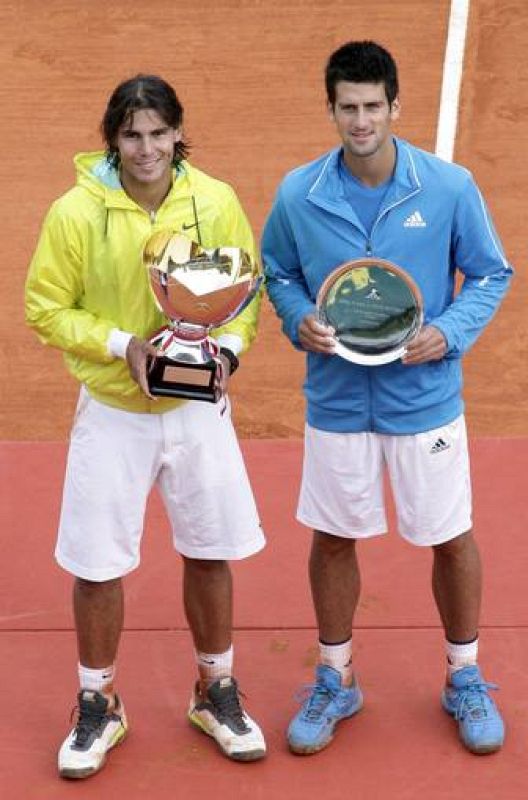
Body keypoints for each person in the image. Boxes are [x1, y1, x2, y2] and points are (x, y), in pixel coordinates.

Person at [262, 40, 511, 757]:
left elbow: (490, 274)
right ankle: (336, 677)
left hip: (423, 399)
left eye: (374, 107)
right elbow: (276, 272)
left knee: (449, 532)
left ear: (396, 107)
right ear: (332, 109)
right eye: (349, 108)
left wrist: (450, 332)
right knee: (334, 536)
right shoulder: (298, 194)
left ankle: (464, 676)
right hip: (338, 399)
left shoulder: (449, 188)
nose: (362, 121)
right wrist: (295, 316)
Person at [25, 74, 266, 779]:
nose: (147, 148)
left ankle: (215, 690)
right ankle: (99, 701)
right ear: (113, 138)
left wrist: (224, 352)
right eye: (132, 134)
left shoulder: (213, 201)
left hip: (196, 410)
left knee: (210, 547)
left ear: (177, 134)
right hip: (112, 411)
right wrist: (120, 346)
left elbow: (244, 297)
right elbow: (46, 308)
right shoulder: (75, 213)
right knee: (97, 564)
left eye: (159, 133)